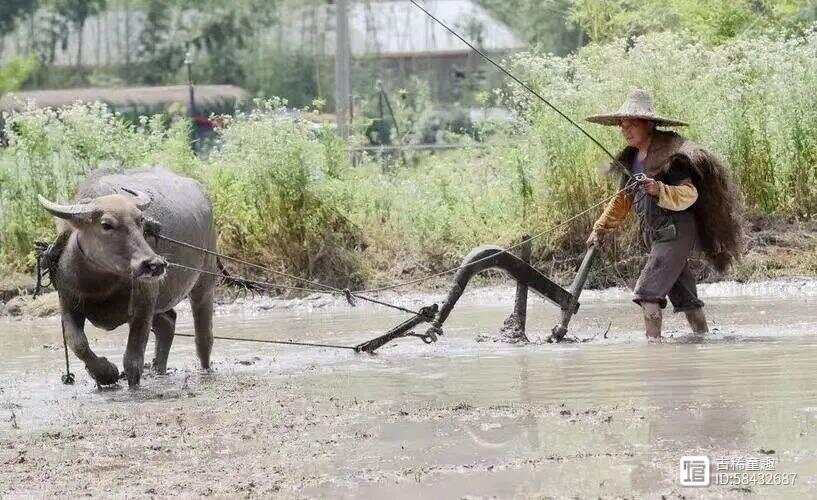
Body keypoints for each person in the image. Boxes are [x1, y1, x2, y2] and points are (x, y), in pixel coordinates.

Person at [585, 89, 743, 339]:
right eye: (622, 125)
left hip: (676, 232)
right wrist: (600, 229)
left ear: (647, 124)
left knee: (648, 293)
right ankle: (703, 339)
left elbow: (689, 194)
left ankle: (654, 350)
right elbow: (623, 199)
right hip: (659, 236)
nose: (625, 130)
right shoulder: (633, 159)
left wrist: (659, 188)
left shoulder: (671, 156)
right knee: (686, 299)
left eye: (631, 125)